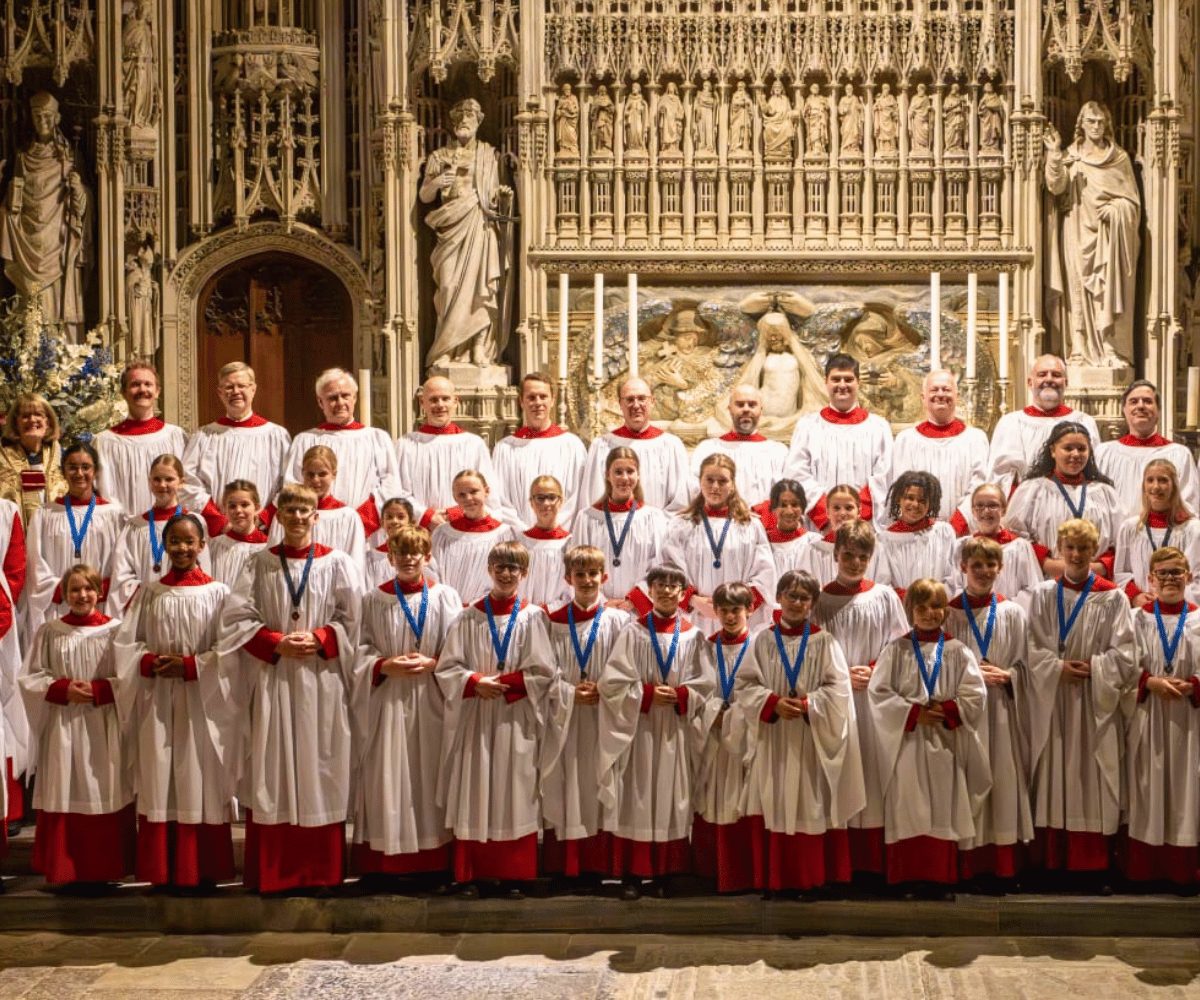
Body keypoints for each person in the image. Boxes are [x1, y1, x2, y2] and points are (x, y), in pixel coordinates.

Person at [217, 482, 364, 893]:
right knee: (273, 764)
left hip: (322, 680)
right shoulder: (258, 563)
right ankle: (277, 873)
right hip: (275, 679)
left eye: (305, 511)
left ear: (316, 517)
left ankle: (320, 872)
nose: (298, 518)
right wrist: (274, 641)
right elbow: (236, 619)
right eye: (290, 511)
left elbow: (354, 620)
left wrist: (322, 638)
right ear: (278, 517)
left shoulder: (337, 564)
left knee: (321, 765)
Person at [114, 513, 235, 890]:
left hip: (202, 700)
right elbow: (125, 646)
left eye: (189, 542)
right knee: (160, 774)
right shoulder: (150, 593)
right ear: (164, 546)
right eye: (174, 541)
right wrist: (148, 662)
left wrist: (193, 666)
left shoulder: (219, 593)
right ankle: (164, 870)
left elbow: (230, 651)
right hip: (157, 699)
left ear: (203, 546)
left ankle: (202, 868)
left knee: (199, 774)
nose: (182, 548)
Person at [435, 540, 556, 898]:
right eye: (500, 567)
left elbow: (544, 671)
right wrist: (473, 682)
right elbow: (447, 667)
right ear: (489, 570)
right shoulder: (469, 616)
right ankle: (473, 874)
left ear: (524, 573)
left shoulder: (533, 617)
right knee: (476, 790)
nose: (506, 574)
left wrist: (504, 684)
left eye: (513, 568)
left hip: (514, 716)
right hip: (477, 716)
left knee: (514, 791)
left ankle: (513, 874)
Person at [737, 570, 863, 895]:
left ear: (813, 604)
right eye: (790, 595)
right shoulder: (763, 640)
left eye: (804, 598)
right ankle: (776, 880)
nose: (796, 603)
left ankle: (809, 879)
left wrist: (809, 704)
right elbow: (745, 684)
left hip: (810, 740)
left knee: (810, 804)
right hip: (775, 738)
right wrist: (771, 703)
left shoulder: (824, 641)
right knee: (775, 803)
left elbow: (838, 689)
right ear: (778, 598)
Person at [597, 564, 713, 900]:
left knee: (668, 798)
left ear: (682, 592)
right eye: (659, 585)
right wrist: (645, 694)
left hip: (674, 730)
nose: (665, 591)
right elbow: (613, 682)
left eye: (672, 586)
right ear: (650, 590)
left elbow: (704, 685)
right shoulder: (633, 633)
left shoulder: (693, 635)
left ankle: (666, 872)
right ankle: (633, 874)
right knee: (638, 797)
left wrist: (680, 695)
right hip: (640, 728)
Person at [1026, 517, 1133, 877]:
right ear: (1059, 549)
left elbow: (1126, 653)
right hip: (1055, 700)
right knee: (1055, 773)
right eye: (1069, 547)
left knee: (1093, 776)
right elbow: (1032, 649)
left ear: (1095, 551)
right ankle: (1053, 863)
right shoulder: (1042, 595)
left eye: (1083, 548)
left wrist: (1097, 669)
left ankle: (1093, 866)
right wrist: (1055, 667)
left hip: (1093, 701)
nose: (1075, 554)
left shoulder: (1113, 597)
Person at [353, 525, 460, 883]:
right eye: (402, 552)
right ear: (390, 557)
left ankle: (430, 862)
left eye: (417, 552)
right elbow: (359, 650)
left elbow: (459, 648)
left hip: (430, 695)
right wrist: (382, 665)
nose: (409, 559)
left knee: (427, 773)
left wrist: (435, 663)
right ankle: (386, 864)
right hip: (388, 699)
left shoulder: (445, 596)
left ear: (428, 556)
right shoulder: (373, 599)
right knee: (388, 772)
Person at [868, 579, 988, 890]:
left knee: (942, 805)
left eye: (936, 606)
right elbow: (878, 693)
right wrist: (911, 712)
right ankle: (905, 876)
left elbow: (975, 694)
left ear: (945, 611)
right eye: (921, 607)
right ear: (910, 611)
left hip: (944, 740)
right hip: (906, 741)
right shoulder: (896, 650)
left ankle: (940, 876)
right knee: (907, 805)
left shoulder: (958, 651)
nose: (929, 613)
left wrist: (949, 710)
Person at [19, 564, 133, 886]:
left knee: (104, 788)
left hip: (103, 723)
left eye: (88, 589)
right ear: (65, 594)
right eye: (74, 590)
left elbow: (131, 680)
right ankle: (65, 871)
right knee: (65, 788)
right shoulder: (50, 632)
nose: (82, 596)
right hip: (64, 726)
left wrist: (100, 690)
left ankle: (104, 871)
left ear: (99, 592)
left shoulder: (117, 630)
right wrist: (61, 689)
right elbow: (30, 678)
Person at [812, 518, 908, 875]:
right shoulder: (818, 600)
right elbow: (809, 652)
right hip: (835, 700)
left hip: (873, 699)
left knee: (873, 772)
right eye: (848, 555)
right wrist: (839, 675)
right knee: (838, 773)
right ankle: (839, 866)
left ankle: (872, 866)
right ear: (836, 554)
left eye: (862, 556)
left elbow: (900, 647)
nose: (854, 563)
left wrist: (874, 670)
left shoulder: (882, 595)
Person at [945, 538, 1042, 882]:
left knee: (1001, 780)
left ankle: (1001, 867)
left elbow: (1030, 666)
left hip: (1001, 711)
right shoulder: (949, 613)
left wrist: (1011, 675)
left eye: (990, 566)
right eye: (976, 566)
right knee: (966, 782)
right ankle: (965, 864)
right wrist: (966, 679)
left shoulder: (1013, 612)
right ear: (962, 568)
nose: (984, 572)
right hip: (965, 713)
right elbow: (935, 665)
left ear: (1000, 568)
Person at [540, 545, 627, 883]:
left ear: (604, 577)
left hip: (604, 717)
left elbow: (627, 670)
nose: (588, 580)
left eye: (593, 574)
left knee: (598, 782)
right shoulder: (552, 621)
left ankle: (599, 863)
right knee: (566, 783)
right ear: (568, 579)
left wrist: (604, 690)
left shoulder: (619, 621)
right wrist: (567, 692)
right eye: (580, 575)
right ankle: (567, 866)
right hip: (566, 716)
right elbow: (542, 667)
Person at [1044, 101, 1141, 367]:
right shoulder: (1072, 155)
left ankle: (1110, 349)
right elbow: (1056, 187)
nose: (1096, 127)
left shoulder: (1118, 158)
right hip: (1075, 229)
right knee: (1076, 291)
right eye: (1091, 121)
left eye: (1100, 121)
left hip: (1109, 239)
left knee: (1107, 292)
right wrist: (1053, 154)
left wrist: (1118, 209)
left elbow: (1132, 204)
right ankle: (1078, 349)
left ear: (1107, 123)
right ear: (1081, 125)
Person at [1124, 546, 1200, 886]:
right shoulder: (1136, 618)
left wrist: (1195, 684)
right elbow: (1122, 664)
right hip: (1148, 714)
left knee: (1186, 790)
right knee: (1146, 788)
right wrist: (1148, 680)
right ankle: (1144, 871)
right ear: (1150, 580)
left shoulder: (1199, 619)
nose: (1170, 579)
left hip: (1188, 719)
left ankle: (1182, 872)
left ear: (1189, 577)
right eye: (1163, 574)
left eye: (1176, 573)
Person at [418, 97, 514, 367]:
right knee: (448, 287)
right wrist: (437, 182)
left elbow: (495, 196)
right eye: (459, 118)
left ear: (479, 122)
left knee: (481, 290)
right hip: (450, 227)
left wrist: (503, 196)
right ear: (452, 123)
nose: (464, 122)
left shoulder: (488, 155)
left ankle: (478, 348)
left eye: (469, 118)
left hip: (479, 225)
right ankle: (446, 348)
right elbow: (425, 196)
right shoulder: (439, 156)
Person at [656, 455, 775, 635]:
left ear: (732, 484)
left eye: (722, 481)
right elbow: (666, 570)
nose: (715, 487)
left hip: (739, 619)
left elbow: (765, 575)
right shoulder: (681, 524)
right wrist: (692, 600)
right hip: (693, 616)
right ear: (700, 481)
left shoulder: (750, 526)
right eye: (709, 480)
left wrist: (736, 607)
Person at [692, 582, 760, 893]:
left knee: (743, 799)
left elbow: (761, 687)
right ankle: (711, 870)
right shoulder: (707, 646)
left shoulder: (759, 646)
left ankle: (744, 872)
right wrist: (712, 711)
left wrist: (737, 714)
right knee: (713, 795)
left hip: (745, 734)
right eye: (724, 610)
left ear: (750, 610)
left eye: (737, 609)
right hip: (715, 732)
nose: (730, 616)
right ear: (715, 612)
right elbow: (699, 686)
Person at [0, 91, 89, 328]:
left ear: (57, 118)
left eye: (48, 116)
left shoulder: (70, 158)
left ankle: (60, 347)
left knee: (56, 298)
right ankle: (30, 347)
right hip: (27, 240)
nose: (43, 121)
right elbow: (12, 205)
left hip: (57, 238)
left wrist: (77, 187)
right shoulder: (21, 158)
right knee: (30, 302)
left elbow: (81, 204)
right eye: (38, 116)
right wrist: (12, 196)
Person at [285, 368, 411, 533]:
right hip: (318, 525)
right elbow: (293, 484)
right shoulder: (305, 440)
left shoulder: (377, 438)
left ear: (355, 398)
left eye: (345, 395)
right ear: (320, 401)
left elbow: (390, 484)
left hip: (367, 529)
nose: (340, 402)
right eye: (332, 398)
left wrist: (361, 520)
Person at [181, 362, 291, 537]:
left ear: (253, 389)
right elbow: (187, 482)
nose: (236, 392)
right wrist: (217, 519)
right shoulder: (204, 436)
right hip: (219, 534)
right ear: (220, 393)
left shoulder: (276, 435)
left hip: (263, 531)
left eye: (241, 386)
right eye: (229, 387)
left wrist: (263, 518)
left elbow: (290, 483)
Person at [871, 370, 988, 532]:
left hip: (962, 533)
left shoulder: (975, 439)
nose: (940, 394)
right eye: (934, 390)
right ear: (923, 398)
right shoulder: (906, 440)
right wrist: (919, 523)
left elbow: (979, 485)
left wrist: (960, 522)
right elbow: (901, 487)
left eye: (946, 390)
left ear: (957, 396)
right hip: (917, 532)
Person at [785, 354, 892, 530]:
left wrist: (856, 516)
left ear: (858, 383)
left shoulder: (879, 427)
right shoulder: (807, 426)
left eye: (848, 379)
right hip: (821, 528)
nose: (842, 385)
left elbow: (885, 476)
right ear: (826, 382)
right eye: (836, 379)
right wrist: (826, 517)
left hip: (864, 527)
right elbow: (796, 473)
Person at [1005, 421, 1123, 580]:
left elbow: (1121, 541)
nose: (1075, 454)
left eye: (1082, 449)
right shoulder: (1032, 490)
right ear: (1053, 451)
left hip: (1095, 581)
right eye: (1068, 448)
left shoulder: (1105, 493)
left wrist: (1100, 567)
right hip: (1046, 579)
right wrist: (1048, 564)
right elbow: (1015, 537)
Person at [27, 442, 127, 627]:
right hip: (59, 606)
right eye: (72, 467)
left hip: (100, 604)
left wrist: (100, 589)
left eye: (85, 467)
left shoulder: (114, 515)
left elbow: (124, 562)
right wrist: (60, 590)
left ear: (96, 471)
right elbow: (34, 561)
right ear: (63, 472)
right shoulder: (45, 515)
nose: (79, 473)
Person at [986, 354, 1101, 499]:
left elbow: (1095, 471)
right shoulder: (1011, 423)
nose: (1049, 379)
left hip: (1077, 502)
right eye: (1042, 374)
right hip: (1028, 506)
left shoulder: (1084, 422)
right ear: (1030, 382)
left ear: (1065, 382)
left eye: (1056, 375)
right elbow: (1000, 479)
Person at [395, 376, 506, 525]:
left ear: (455, 402)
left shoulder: (473, 444)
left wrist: (454, 514)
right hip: (421, 531)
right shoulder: (406, 445)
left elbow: (488, 493)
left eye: (445, 399)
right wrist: (427, 517)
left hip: (465, 528)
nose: (440, 405)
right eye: (433, 400)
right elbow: (398, 491)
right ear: (422, 403)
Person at [110, 454, 210, 613]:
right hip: (146, 607)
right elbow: (122, 576)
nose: (162, 485)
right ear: (150, 482)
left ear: (181, 482)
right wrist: (144, 596)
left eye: (169, 479)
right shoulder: (135, 526)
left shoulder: (194, 522)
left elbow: (204, 570)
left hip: (185, 604)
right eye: (157, 479)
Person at [572, 448, 668, 609]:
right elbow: (577, 564)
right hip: (598, 608)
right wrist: (601, 602)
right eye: (618, 472)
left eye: (630, 471)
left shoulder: (653, 518)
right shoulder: (587, 518)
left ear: (638, 475)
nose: (624, 478)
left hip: (637, 610)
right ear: (607, 475)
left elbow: (660, 565)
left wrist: (634, 601)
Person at [581, 376, 691, 514]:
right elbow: (592, 500)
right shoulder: (602, 446)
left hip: (658, 533)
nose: (636, 405)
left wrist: (653, 526)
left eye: (642, 398)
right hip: (612, 531)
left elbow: (680, 504)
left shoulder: (671, 446)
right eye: (630, 399)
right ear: (620, 404)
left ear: (652, 401)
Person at [491, 373, 587, 529]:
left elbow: (578, 498)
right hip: (518, 540)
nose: (538, 402)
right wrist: (523, 532)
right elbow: (499, 499)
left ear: (552, 400)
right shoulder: (504, 449)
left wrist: (554, 528)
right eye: (531, 397)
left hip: (561, 537)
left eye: (543, 396)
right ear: (521, 402)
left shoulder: (572, 446)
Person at [93, 364, 188, 515]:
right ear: (124, 392)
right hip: (120, 528)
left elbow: (186, 487)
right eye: (135, 385)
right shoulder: (104, 442)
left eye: (148, 384)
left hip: (169, 527)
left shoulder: (175, 436)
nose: (142, 390)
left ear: (157, 391)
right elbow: (102, 490)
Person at [1096, 380, 1200, 517]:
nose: (1140, 406)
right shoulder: (1104, 453)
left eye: (1147, 401)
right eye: (1133, 401)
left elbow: (1189, 504)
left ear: (1158, 411)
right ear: (1124, 410)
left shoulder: (1179, 454)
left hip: (1165, 535)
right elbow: (1095, 503)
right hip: (1115, 536)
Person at [1113, 460, 1200, 608]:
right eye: (1150, 480)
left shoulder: (1192, 529)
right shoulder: (1130, 528)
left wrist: (1166, 600)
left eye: (1163, 480)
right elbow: (1121, 574)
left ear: (1174, 486)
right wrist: (1136, 596)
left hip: (1180, 610)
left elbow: (1195, 578)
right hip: (1142, 612)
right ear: (1143, 486)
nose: (1155, 486)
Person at [692, 385, 788, 514]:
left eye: (752, 404)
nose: (746, 409)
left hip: (765, 526)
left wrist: (759, 514)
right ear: (730, 408)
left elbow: (787, 495)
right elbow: (694, 490)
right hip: (720, 524)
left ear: (761, 409)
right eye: (740, 404)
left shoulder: (778, 452)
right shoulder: (708, 449)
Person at [268, 446, 367, 571]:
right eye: (310, 474)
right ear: (302, 473)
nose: (315, 480)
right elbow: (273, 557)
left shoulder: (347, 517)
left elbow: (355, 563)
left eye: (322, 474)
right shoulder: (288, 513)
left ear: (334, 474)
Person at [430, 470, 517, 606]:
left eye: (473, 492)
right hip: (446, 607)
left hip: (486, 610)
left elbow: (506, 576)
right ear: (455, 497)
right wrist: (447, 603)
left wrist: (478, 606)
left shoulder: (503, 534)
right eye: (462, 494)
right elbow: (433, 571)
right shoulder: (443, 534)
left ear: (486, 491)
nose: (468, 498)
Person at [953, 483, 1044, 611]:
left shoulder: (1020, 547)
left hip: (1007, 619)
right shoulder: (962, 547)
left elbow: (1031, 590)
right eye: (979, 505)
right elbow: (955, 586)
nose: (986, 511)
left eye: (993, 505)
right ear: (972, 511)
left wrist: (1003, 611)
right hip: (970, 616)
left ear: (1004, 509)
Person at [872, 471, 958, 598]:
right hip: (901, 610)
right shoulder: (883, 540)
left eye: (922, 500)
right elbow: (882, 584)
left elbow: (952, 576)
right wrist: (911, 601)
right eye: (910, 498)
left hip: (936, 607)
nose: (915, 504)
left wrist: (932, 600)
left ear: (930, 503)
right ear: (898, 499)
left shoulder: (944, 532)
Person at [0, 392, 67, 526]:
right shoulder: (3, 457)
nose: (32, 420)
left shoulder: (62, 457)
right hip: (14, 536)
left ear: (48, 422)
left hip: (55, 534)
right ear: (16, 423)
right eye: (25, 416)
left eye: (38, 414)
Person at [0, 494, 26, 842]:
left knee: (6, 716)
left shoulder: (7, 511)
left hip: (0, 621)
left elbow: (15, 571)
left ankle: (9, 809)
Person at [517, 476, 571, 608]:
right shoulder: (521, 541)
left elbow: (572, 586)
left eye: (552, 497)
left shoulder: (569, 542)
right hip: (523, 616)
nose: (546, 503)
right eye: (540, 498)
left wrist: (551, 609)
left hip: (557, 615)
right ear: (531, 502)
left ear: (561, 501)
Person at [206, 480, 268, 589]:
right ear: (224, 509)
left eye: (244, 505)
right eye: (232, 506)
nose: (238, 510)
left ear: (257, 508)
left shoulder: (267, 548)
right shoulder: (215, 546)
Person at [796, 483, 861, 586]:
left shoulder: (873, 549)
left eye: (849, 508)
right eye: (836, 508)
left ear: (858, 512)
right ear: (827, 512)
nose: (843, 513)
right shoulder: (813, 551)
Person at [765, 479, 813, 578]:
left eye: (795, 505)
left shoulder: (813, 543)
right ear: (774, 507)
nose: (789, 511)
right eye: (783, 505)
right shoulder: (764, 544)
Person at [365, 497, 416, 590]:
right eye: (389, 517)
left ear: (412, 522)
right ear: (382, 522)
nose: (394, 521)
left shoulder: (420, 556)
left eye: (401, 517)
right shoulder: (370, 558)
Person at [758, 80, 795, 161]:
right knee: (768, 127)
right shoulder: (772, 99)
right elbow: (767, 110)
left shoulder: (785, 99)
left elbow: (789, 110)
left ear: (782, 89)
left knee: (788, 126)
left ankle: (784, 148)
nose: (777, 89)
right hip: (774, 120)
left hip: (783, 120)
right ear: (773, 89)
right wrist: (762, 101)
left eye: (779, 87)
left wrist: (792, 114)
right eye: (775, 87)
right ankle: (772, 149)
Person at [802, 83, 830, 155]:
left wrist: (824, 105)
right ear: (811, 90)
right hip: (812, 119)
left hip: (819, 118)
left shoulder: (821, 98)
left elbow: (827, 107)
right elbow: (804, 111)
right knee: (812, 133)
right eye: (814, 88)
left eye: (817, 88)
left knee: (819, 132)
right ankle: (813, 148)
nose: (815, 89)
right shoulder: (809, 99)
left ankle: (818, 148)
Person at [657, 82, 685, 154]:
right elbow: (659, 107)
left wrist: (679, 115)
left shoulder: (677, 98)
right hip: (667, 119)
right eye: (669, 87)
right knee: (666, 133)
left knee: (675, 132)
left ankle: (674, 147)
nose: (671, 88)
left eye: (672, 87)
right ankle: (667, 148)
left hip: (674, 119)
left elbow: (681, 109)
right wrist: (662, 109)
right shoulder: (664, 98)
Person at [693, 80, 718, 155]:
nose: (705, 87)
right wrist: (698, 108)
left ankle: (709, 147)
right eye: (704, 85)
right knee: (701, 129)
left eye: (707, 85)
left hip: (709, 112)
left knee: (709, 129)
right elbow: (696, 105)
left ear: (710, 87)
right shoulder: (699, 94)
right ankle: (702, 145)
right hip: (701, 113)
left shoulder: (712, 96)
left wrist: (716, 96)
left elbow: (715, 104)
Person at [872, 83, 899, 154]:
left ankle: (892, 148)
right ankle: (881, 149)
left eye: (887, 88)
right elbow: (874, 107)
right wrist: (877, 107)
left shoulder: (891, 98)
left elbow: (895, 108)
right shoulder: (880, 99)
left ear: (889, 90)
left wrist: (891, 111)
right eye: (884, 88)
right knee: (881, 135)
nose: (885, 90)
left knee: (891, 133)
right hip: (881, 119)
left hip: (889, 119)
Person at [554, 82, 580, 156]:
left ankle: (572, 147)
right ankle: (563, 148)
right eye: (565, 90)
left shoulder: (574, 98)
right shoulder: (561, 99)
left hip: (571, 120)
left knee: (572, 133)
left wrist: (570, 110)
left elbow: (577, 110)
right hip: (563, 120)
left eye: (568, 89)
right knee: (563, 136)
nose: (567, 91)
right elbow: (557, 110)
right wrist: (560, 112)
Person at [978, 81, 1004, 152]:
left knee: (993, 131)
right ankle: (985, 146)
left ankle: (994, 146)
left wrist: (990, 106)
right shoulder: (983, 98)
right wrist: (983, 107)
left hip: (993, 117)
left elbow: (999, 107)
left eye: (990, 86)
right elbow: (979, 109)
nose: (989, 87)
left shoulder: (995, 96)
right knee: (985, 132)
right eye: (987, 86)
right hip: (985, 118)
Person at [590, 85, 615, 155]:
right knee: (600, 131)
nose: (602, 93)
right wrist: (598, 107)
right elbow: (592, 112)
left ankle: (606, 147)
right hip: (599, 119)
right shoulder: (596, 99)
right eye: (601, 91)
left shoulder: (608, 98)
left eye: (604, 91)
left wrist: (607, 108)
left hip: (607, 120)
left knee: (606, 132)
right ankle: (599, 147)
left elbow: (612, 109)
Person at [623, 83, 649, 153]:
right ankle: (631, 147)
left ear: (639, 89)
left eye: (635, 87)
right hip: (631, 119)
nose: (633, 89)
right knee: (631, 133)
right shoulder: (630, 98)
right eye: (632, 87)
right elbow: (625, 110)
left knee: (639, 131)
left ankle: (640, 147)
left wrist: (644, 106)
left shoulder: (641, 98)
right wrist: (629, 112)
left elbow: (645, 110)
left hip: (638, 118)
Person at [729, 81, 753, 154]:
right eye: (739, 86)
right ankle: (735, 148)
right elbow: (734, 105)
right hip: (736, 117)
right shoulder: (735, 95)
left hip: (745, 116)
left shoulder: (747, 95)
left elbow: (750, 106)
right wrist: (741, 103)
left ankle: (744, 148)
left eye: (742, 86)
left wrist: (747, 103)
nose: (740, 88)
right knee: (736, 131)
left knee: (745, 131)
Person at [908, 83, 932, 153]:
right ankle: (917, 147)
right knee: (916, 135)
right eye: (919, 89)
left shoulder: (926, 98)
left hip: (924, 119)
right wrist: (911, 113)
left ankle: (924, 147)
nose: (921, 90)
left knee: (925, 131)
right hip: (916, 118)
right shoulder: (914, 98)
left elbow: (928, 109)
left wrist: (930, 110)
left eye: (922, 89)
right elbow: (911, 109)